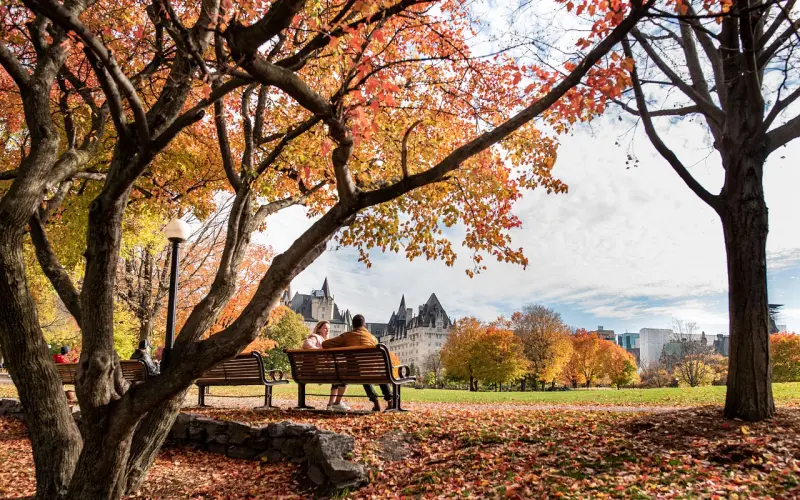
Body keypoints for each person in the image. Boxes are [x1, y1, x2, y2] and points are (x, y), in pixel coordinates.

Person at [322, 314, 394, 412]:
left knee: (361, 371)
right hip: (372, 372)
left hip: (352, 372)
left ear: (353, 325)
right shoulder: (373, 338)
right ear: (364, 325)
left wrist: (342, 346)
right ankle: (390, 401)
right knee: (372, 372)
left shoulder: (346, 336)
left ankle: (375, 401)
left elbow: (325, 344)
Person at [303, 321, 349, 411]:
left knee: (338, 375)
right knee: (341, 374)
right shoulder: (315, 336)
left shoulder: (325, 341)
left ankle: (331, 404)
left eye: (328, 329)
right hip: (315, 371)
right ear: (319, 329)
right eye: (325, 328)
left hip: (315, 370)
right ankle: (334, 403)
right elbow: (306, 344)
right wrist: (320, 351)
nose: (327, 330)